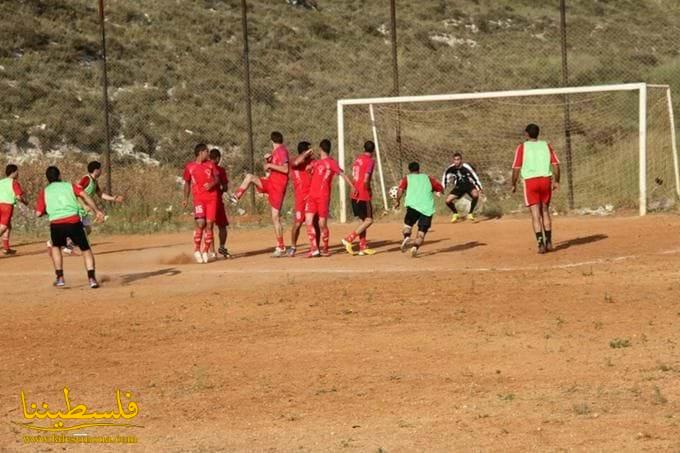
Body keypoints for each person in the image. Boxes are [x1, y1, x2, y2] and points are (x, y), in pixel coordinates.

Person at [35, 166, 104, 288]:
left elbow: (38, 213)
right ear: (59, 176)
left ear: (47, 179)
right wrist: (97, 210)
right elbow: (85, 196)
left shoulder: (44, 191)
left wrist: (50, 210)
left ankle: (60, 277)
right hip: (73, 221)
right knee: (85, 249)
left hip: (56, 223)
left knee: (56, 247)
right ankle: (92, 279)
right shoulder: (70, 185)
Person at [230, 131, 290, 257]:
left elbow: (285, 169)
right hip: (271, 183)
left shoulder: (282, 151)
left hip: (278, 187)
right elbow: (270, 172)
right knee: (250, 177)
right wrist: (268, 162)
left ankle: (281, 246)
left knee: (275, 217)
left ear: (271, 141)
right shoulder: (275, 153)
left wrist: (270, 164)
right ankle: (236, 197)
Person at [511, 123, 560, 254]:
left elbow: (516, 168)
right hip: (545, 180)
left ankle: (541, 244)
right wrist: (557, 181)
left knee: (535, 214)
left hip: (530, 181)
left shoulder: (522, 147)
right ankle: (549, 242)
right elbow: (555, 165)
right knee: (545, 211)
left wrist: (513, 183)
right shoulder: (546, 145)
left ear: (527, 134)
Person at [304, 139, 355, 258]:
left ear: (320, 148)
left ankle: (325, 248)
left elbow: (341, 174)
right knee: (308, 221)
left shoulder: (331, 163)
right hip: (312, 196)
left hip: (323, 197)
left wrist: (352, 186)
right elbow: (308, 170)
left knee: (322, 224)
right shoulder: (316, 162)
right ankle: (314, 249)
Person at [394, 162, 444, 257]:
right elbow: (440, 187)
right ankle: (415, 248)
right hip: (427, 208)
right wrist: (438, 190)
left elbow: (400, 190)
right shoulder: (427, 178)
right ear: (418, 169)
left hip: (413, 206)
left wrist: (397, 201)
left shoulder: (407, 178)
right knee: (421, 232)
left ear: (409, 169)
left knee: (407, 226)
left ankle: (407, 237)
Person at [183, 143, 220, 264]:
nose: (208, 154)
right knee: (200, 223)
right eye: (206, 152)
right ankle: (197, 249)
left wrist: (211, 184)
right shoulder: (190, 167)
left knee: (209, 224)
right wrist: (186, 198)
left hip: (212, 198)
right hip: (199, 198)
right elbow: (187, 183)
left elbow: (217, 179)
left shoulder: (210, 165)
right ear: (200, 153)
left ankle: (205, 250)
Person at [341, 140, 376, 256]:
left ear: (364, 148)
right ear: (373, 150)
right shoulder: (370, 161)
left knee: (363, 220)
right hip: (363, 194)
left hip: (354, 193)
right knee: (369, 220)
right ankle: (349, 239)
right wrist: (368, 190)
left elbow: (354, 175)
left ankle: (362, 246)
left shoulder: (358, 159)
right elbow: (366, 179)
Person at [288, 141, 319, 257]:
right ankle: (293, 246)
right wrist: (306, 154)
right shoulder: (294, 160)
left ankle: (316, 246)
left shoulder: (312, 162)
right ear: (304, 151)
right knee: (298, 223)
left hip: (311, 196)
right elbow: (296, 163)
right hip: (300, 198)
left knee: (314, 222)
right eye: (309, 150)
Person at [441, 152, 483, 223]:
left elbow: (474, 176)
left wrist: (479, 187)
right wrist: (442, 189)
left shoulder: (466, 167)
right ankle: (455, 214)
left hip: (469, 185)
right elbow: (445, 177)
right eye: (455, 160)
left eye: (458, 159)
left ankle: (470, 213)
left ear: (461, 160)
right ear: (453, 160)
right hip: (459, 187)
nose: (456, 161)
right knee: (447, 201)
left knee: (475, 195)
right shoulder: (450, 168)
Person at [0, 164, 28, 255]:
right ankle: (6, 248)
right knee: (3, 227)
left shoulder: (1, 182)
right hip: (7, 206)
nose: (18, 173)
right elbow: (19, 197)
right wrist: (25, 202)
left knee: (8, 226)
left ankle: (6, 248)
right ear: (13, 172)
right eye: (17, 171)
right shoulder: (14, 182)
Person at [209, 148, 231, 259]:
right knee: (222, 226)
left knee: (209, 226)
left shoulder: (205, 168)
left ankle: (212, 251)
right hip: (217, 201)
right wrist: (221, 190)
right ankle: (222, 246)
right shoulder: (220, 170)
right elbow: (225, 187)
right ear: (218, 158)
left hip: (206, 201)